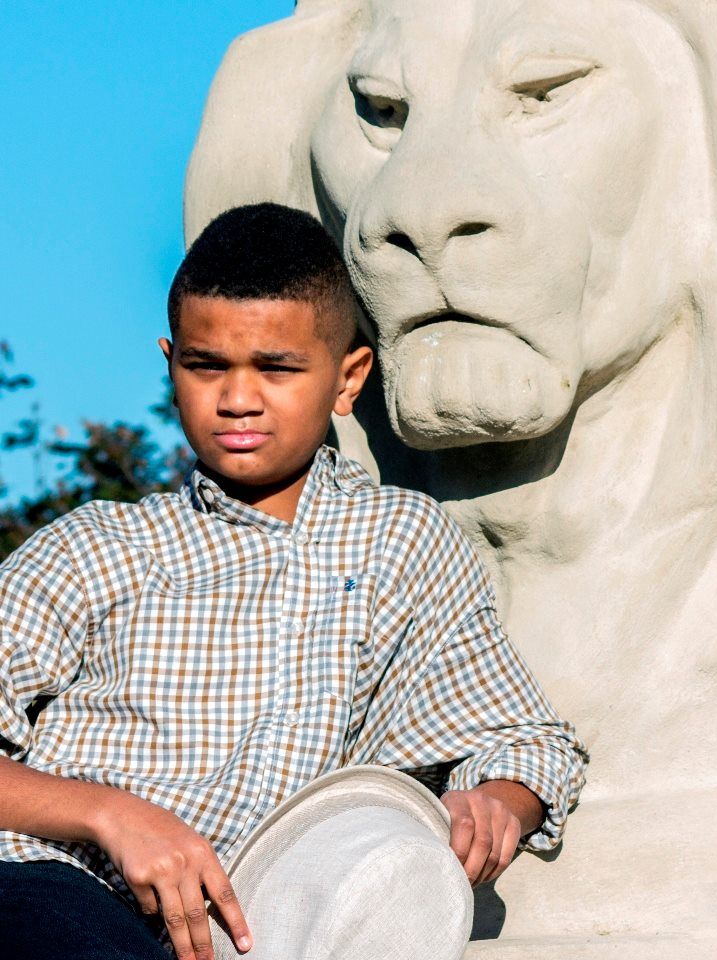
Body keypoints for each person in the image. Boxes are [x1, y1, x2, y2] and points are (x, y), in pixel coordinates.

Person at [0, 203, 588, 960]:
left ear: (348, 379)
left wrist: (498, 801)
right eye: (206, 365)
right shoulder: (95, 548)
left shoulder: (399, 543)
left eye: (277, 368)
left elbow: (522, 737)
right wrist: (112, 815)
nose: (238, 398)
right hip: (62, 885)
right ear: (169, 361)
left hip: (268, 917)